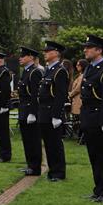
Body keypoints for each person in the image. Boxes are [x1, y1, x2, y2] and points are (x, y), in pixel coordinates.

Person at [79, 35, 103, 202]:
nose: (85, 50)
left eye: (89, 48)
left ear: (99, 50)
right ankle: (99, 188)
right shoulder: (89, 68)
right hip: (89, 117)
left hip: (101, 118)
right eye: (85, 47)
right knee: (94, 155)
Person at [38, 41, 69, 181]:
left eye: (48, 51)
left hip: (52, 113)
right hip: (44, 112)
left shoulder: (60, 71)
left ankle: (59, 173)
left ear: (56, 53)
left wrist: (57, 115)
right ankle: (52, 171)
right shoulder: (49, 70)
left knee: (55, 144)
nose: (45, 53)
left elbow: (60, 95)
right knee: (49, 144)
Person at [16, 46, 43, 176]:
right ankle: (30, 165)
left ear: (31, 57)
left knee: (33, 140)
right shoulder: (26, 72)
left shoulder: (35, 72)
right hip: (23, 109)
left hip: (30, 110)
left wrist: (33, 112)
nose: (20, 58)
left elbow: (35, 95)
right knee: (27, 140)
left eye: (23, 56)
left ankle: (35, 167)